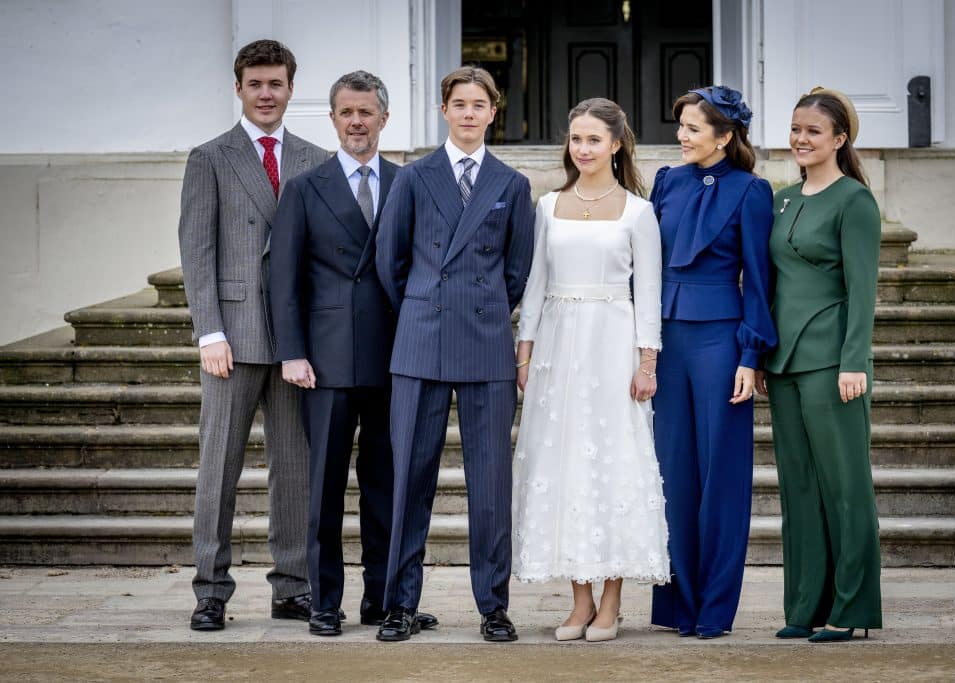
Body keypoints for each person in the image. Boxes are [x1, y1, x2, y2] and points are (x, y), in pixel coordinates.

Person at [269, 70, 437, 637]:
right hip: (326, 363)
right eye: (346, 112)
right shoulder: (304, 187)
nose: (357, 122)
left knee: (388, 485)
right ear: (334, 119)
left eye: (367, 112)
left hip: (396, 356)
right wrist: (292, 352)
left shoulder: (410, 182)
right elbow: (284, 280)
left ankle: (384, 600)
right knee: (324, 487)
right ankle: (324, 601)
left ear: (384, 119)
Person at [375, 66, 534, 642]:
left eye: (479, 104)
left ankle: (494, 605)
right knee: (408, 479)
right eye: (459, 103)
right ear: (444, 110)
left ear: (494, 111)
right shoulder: (414, 178)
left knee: (490, 484)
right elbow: (390, 264)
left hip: (487, 344)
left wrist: (484, 307)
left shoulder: (512, 185)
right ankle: (399, 604)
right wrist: (423, 307)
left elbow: (516, 272)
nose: (469, 113)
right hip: (420, 342)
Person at [179, 39, 331, 630]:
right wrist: (208, 332)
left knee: (295, 469)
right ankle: (210, 589)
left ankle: (291, 586)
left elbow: (321, 257)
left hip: (295, 344)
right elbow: (198, 251)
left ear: (292, 88)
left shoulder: (316, 160)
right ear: (238, 88)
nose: (266, 94)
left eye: (276, 84)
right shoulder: (210, 158)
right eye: (255, 84)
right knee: (218, 467)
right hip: (232, 340)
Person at [513, 98, 670, 643]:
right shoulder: (548, 205)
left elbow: (648, 292)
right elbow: (534, 282)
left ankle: (611, 601)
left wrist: (647, 361)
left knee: (612, 466)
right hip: (557, 345)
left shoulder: (637, 212)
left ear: (617, 145)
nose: (583, 149)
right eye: (576, 140)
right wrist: (525, 353)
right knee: (564, 468)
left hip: (612, 343)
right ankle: (578, 600)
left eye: (594, 140)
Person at [649, 86, 777, 639]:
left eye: (693, 128)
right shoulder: (665, 181)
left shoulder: (752, 191)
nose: (681, 136)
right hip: (666, 339)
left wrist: (751, 355)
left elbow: (759, 280)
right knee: (671, 472)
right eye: (680, 126)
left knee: (721, 475)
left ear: (725, 136)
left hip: (722, 342)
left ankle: (714, 609)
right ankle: (677, 605)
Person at [761, 87, 882, 643]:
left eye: (813, 131)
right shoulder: (782, 199)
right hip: (784, 361)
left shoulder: (854, 200)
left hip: (833, 361)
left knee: (844, 485)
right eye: (795, 129)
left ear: (839, 139)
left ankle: (852, 609)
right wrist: (761, 355)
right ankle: (805, 605)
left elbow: (863, 290)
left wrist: (854, 360)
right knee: (799, 489)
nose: (801, 140)